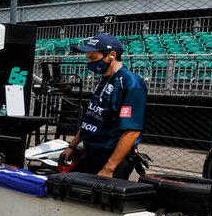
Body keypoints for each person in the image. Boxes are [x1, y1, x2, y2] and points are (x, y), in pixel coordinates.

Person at [60, 34, 147, 178]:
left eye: (93, 58)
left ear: (112, 55)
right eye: (88, 58)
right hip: (90, 153)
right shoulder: (103, 80)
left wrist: (109, 168)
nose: (89, 63)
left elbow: (132, 131)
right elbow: (91, 119)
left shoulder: (130, 83)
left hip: (111, 158)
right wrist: (72, 146)